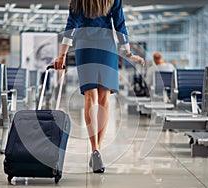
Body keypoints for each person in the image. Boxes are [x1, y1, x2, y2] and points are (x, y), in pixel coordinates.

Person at [54, 0, 145, 173]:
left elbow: (71, 26)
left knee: (91, 96)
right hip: (106, 47)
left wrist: (62, 55)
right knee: (104, 99)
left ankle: (94, 147)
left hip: (85, 46)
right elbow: (120, 24)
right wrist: (128, 53)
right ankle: (97, 151)